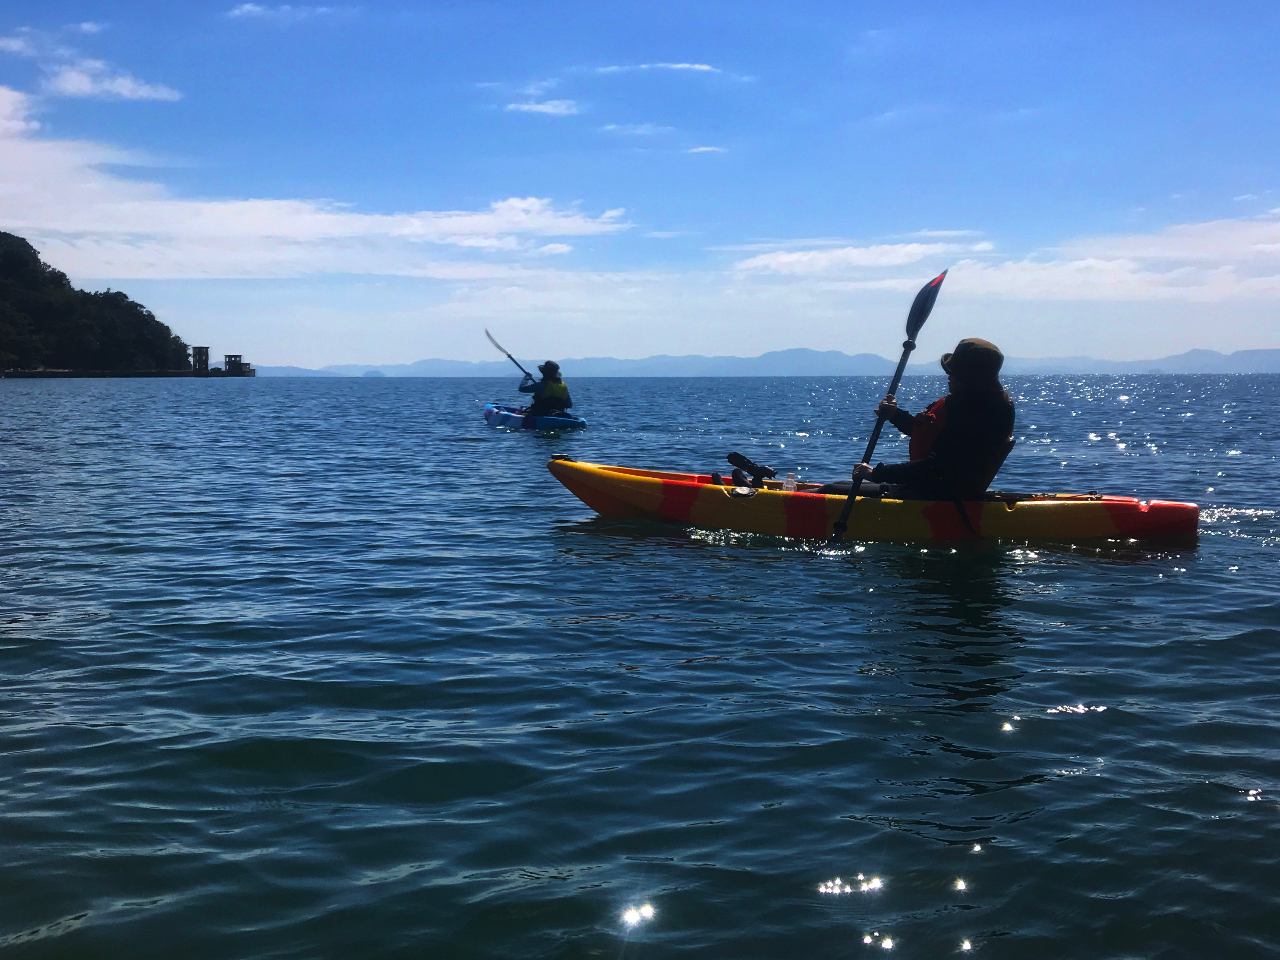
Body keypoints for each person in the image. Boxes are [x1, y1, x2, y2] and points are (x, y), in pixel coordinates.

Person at [851, 338, 1016, 499]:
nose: (949, 376)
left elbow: (936, 467)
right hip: (931, 490)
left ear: (972, 379)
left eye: (955, 373)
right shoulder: (974, 406)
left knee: (831, 488)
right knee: (837, 486)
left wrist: (877, 474)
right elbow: (932, 434)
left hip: (941, 498)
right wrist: (895, 415)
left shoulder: (979, 414)